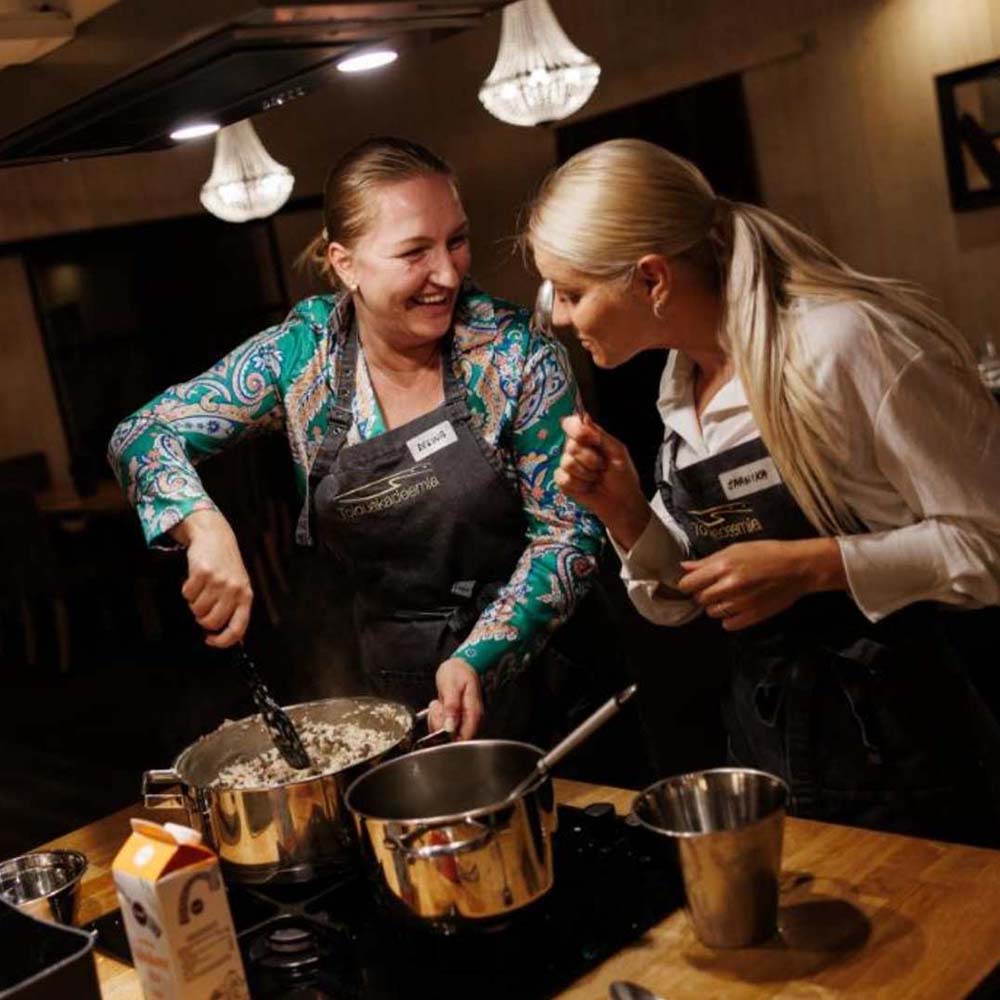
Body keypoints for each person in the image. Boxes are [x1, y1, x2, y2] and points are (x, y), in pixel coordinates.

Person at [524, 137, 1000, 842]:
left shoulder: (844, 345)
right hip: (769, 754)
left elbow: (989, 545)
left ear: (652, 279)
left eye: (571, 292)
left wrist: (812, 567)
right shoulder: (681, 379)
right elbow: (691, 600)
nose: (560, 317)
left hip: (908, 758)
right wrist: (624, 512)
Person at [108, 136, 608, 742]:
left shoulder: (514, 353)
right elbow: (143, 432)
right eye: (414, 253)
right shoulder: (302, 358)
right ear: (345, 264)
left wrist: (479, 655)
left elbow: (567, 533)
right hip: (391, 685)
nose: (447, 274)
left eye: (456, 240)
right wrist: (202, 525)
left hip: (544, 679)